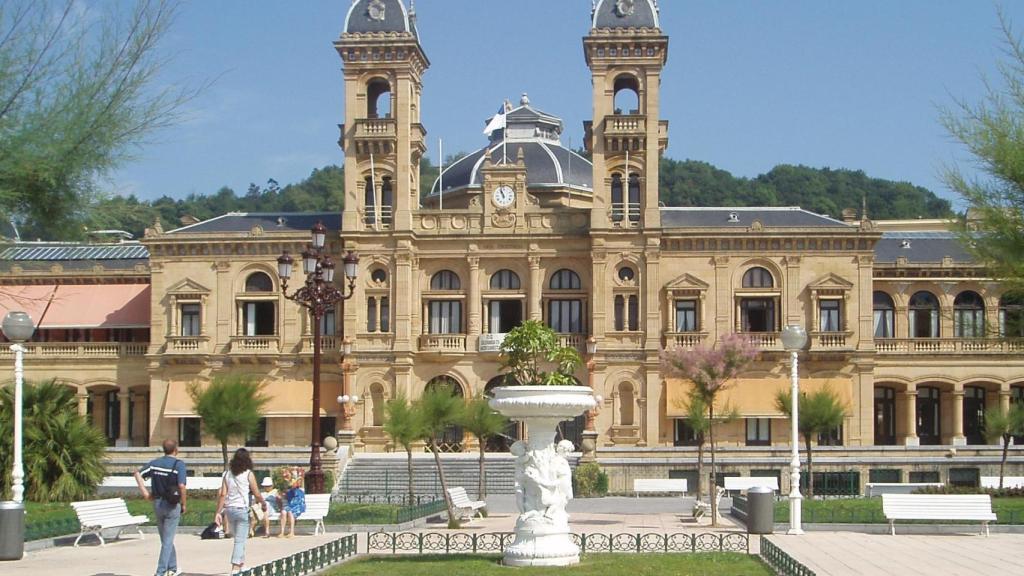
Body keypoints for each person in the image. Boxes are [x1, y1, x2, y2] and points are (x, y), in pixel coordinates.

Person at [134, 439, 187, 576]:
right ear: (176, 449)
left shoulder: (155, 464)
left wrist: (146, 493)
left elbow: (137, 474)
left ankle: (173, 568)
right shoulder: (179, 465)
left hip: (157, 503)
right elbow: (182, 486)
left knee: (165, 538)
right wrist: (184, 503)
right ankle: (161, 571)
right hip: (172, 504)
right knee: (167, 540)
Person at [214, 448, 267, 575]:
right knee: (240, 540)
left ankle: (242, 563)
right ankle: (235, 568)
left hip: (230, 510)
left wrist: (218, 512)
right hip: (242, 509)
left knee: (239, 537)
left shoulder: (227, 474)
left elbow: (223, 494)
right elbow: (256, 493)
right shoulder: (248, 474)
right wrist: (263, 503)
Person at [279, 467, 306, 538]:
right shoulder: (285, 484)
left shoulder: (297, 483)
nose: (285, 475)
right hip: (289, 504)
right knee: (283, 512)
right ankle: (282, 532)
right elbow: (284, 494)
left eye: (287, 474)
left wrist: (294, 472)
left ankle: (292, 532)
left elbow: (296, 484)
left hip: (297, 505)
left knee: (290, 512)